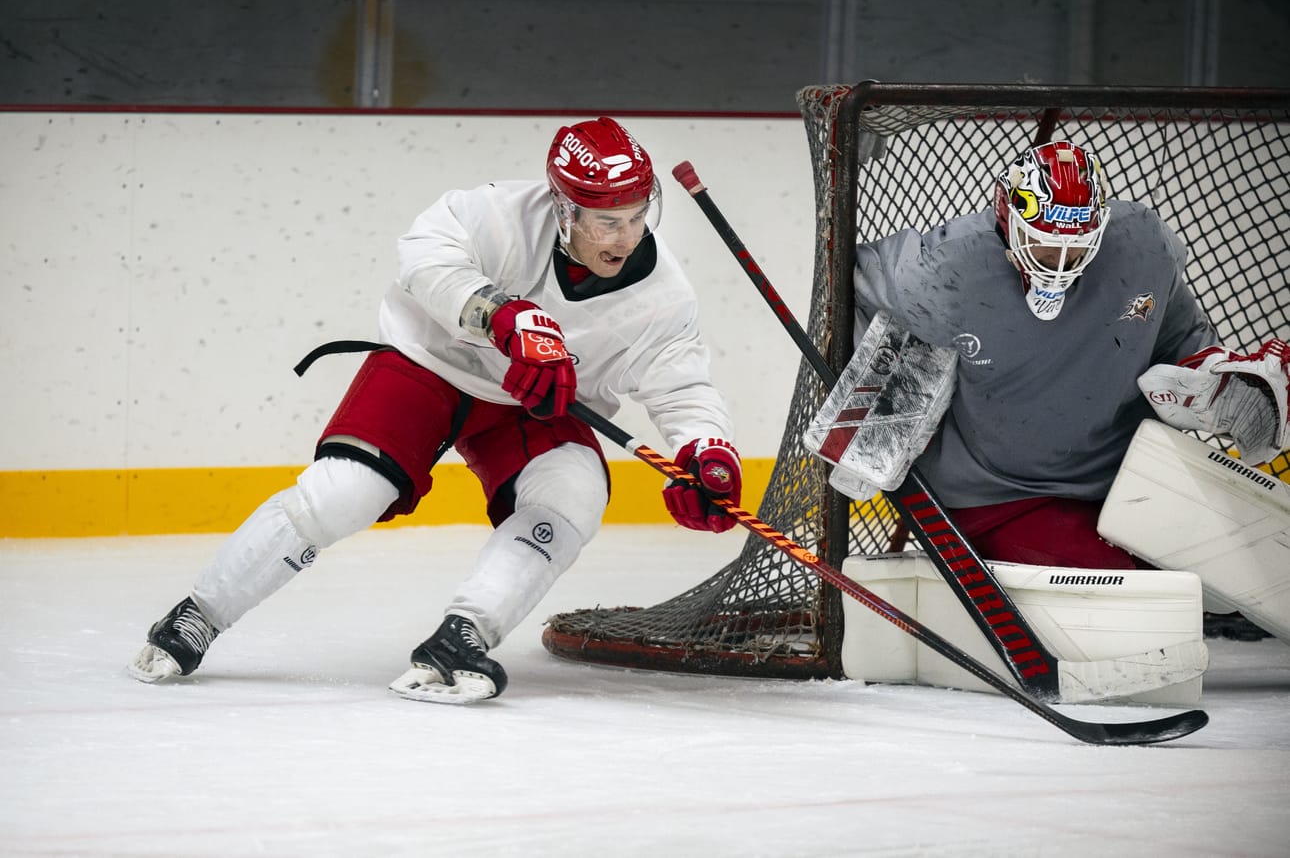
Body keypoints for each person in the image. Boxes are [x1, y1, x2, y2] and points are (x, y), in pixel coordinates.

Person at [128, 116, 744, 703]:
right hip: (432, 366)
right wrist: (498, 315)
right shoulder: (498, 214)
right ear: (563, 208)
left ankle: (462, 637)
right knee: (345, 493)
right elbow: (423, 255)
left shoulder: (664, 293)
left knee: (573, 498)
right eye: (608, 222)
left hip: (533, 405)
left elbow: (681, 384)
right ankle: (199, 614)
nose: (628, 237)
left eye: (638, 217)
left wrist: (707, 450)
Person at [850, 140, 1287, 581]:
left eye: (1076, 248)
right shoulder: (940, 271)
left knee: (1251, 575)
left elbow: (1179, 336)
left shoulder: (1143, 245)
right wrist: (873, 421)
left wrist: (1216, 378)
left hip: (1130, 479)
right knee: (1134, 593)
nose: (1059, 263)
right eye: (1043, 246)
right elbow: (850, 280)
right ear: (1006, 215)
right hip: (997, 495)